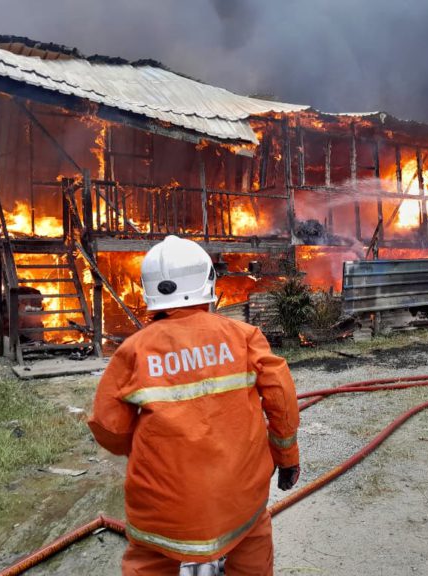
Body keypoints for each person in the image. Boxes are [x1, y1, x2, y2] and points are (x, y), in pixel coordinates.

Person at [88, 235, 300, 576]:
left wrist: (146, 448)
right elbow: (281, 396)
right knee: (252, 549)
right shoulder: (244, 337)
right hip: (239, 506)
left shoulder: (134, 350)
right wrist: (287, 458)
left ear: (149, 290)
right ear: (208, 281)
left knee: (150, 562)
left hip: (162, 513)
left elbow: (108, 426)